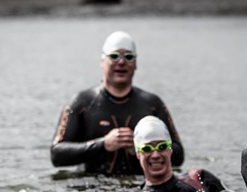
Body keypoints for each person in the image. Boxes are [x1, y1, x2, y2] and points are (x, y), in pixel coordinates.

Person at [50, 31, 184, 176]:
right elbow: (56, 154)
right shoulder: (81, 103)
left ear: (135, 63)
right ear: (102, 62)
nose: (121, 62)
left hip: (139, 189)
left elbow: (178, 155)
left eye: (128, 57)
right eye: (114, 56)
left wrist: (143, 146)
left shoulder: (152, 104)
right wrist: (103, 144)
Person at [125, 116, 247, 192]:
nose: (156, 155)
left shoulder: (198, 179)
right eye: (147, 149)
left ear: (170, 149)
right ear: (138, 153)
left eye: (162, 146)